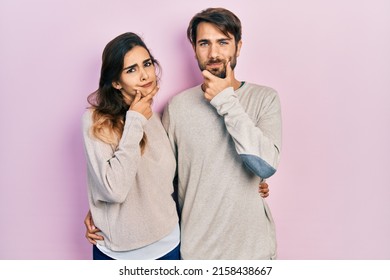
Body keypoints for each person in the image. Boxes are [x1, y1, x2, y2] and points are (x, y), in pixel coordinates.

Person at [161, 7, 282, 259]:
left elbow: (266, 165)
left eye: (223, 42)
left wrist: (225, 99)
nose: (214, 53)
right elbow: (159, 181)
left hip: (253, 253)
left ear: (238, 47)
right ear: (194, 48)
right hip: (198, 254)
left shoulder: (264, 98)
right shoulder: (178, 106)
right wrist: (107, 211)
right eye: (204, 43)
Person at [81, 32, 180, 260]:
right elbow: (114, 190)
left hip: (168, 245)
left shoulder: (154, 117)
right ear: (116, 82)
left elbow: (162, 181)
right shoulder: (95, 120)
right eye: (131, 69)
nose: (144, 75)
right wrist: (134, 121)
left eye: (147, 64)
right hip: (118, 254)